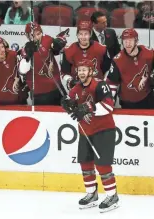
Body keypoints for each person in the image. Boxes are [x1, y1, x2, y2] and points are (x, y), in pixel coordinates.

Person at [61, 59, 119, 213]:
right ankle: (91, 194)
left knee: (102, 165)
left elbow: (108, 105)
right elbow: (69, 101)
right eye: (79, 69)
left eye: (84, 69)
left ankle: (112, 196)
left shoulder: (100, 85)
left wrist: (87, 107)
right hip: (85, 131)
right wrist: (66, 104)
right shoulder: (76, 88)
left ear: (91, 71)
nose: (81, 72)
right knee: (85, 163)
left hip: (104, 130)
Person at [18, 22, 67, 105]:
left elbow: (57, 48)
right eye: (33, 35)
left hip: (57, 87)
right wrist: (28, 57)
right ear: (27, 35)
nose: (37, 37)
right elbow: (22, 71)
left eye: (39, 34)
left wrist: (60, 42)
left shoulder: (47, 39)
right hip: (40, 94)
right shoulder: (25, 49)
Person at [106, 28, 154, 109]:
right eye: (125, 41)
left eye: (130, 40)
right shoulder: (117, 60)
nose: (127, 44)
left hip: (147, 98)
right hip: (127, 102)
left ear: (136, 41)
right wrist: (110, 99)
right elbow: (112, 82)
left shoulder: (149, 53)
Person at [61, 20, 111, 91]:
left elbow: (108, 70)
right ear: (77, 35)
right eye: (80, 34)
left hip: (97, 89)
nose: (83, 37)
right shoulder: (69, 50)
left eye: (86, 34)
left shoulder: (101, 49)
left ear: (90, 34)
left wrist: (104, 83)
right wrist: (70, 81)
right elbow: (64, 72)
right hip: (77, 89)